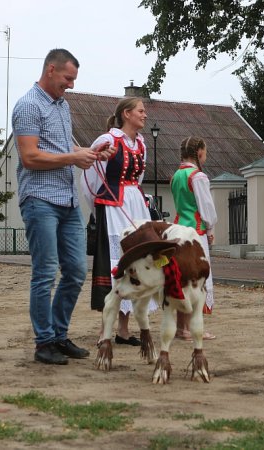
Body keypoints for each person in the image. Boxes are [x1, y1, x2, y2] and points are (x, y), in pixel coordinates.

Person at [11, 48, 114, 365]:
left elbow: (63, 147)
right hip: (40, 200)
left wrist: (91, 154)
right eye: (68, 78)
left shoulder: (62, 106)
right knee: (44, 274)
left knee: (75, 272)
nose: (70, 85)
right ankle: (44, 343)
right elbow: (30, 157)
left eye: (73, 79)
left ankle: (57, 335)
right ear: (51, 69)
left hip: (68, 201)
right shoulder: (28, 106)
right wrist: (73, 158)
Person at [81, 97, 157, 345]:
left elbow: (139, 176)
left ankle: (124, 331)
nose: (145, 115)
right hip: (113, 206)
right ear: (126, 114)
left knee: (135, 263)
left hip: (135, 204)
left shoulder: (141, 144)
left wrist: (136, 198)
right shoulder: (108, 140)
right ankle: (105, 330)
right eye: (141, 111)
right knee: (113, 263)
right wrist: (98, 205)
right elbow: (90, 175)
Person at [170, 136, 217, 341]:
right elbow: (206, 208)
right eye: (205, 152)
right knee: (197, 279)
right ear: (198, 152)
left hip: (178, 229)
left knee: (182, 278)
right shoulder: (198, 177)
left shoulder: (177, 175)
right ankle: (193, 328)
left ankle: (182, 328)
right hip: (195, 233)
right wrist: (210, 228)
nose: (205, 156)